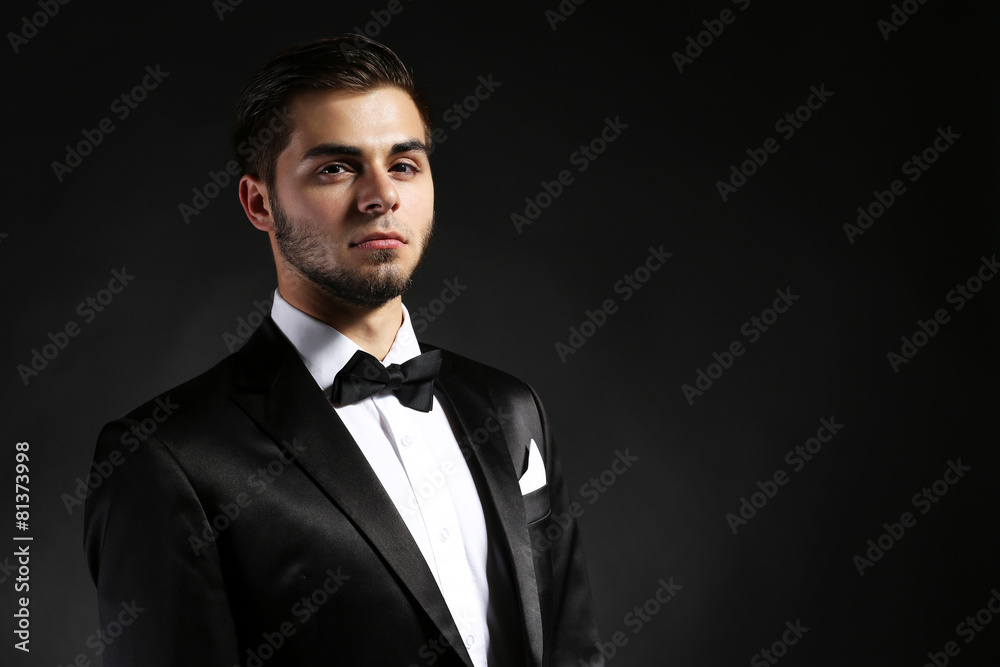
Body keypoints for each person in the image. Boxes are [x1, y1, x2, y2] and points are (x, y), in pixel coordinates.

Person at [84, 35, 602, 666]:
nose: (381, 195)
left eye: (404, 165)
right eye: (336, 167)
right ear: (259, 202)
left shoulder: (512, 405)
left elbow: (572, 651)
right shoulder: (165, 457)